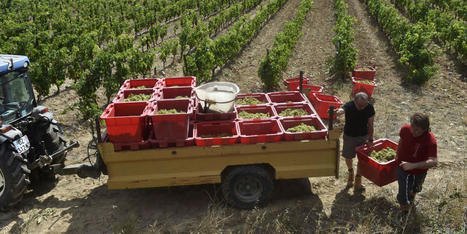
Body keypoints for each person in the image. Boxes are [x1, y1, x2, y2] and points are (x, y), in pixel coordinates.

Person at [395, 112, 437, 211]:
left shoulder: (430, 140)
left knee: (416, 188)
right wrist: (397, 154)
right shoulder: (405, 129)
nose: (413, 132)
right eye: (412, 127)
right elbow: (401, 141)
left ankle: (412, 196)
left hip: (419, 172)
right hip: (403, 168)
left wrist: (413, 165)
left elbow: (434, 162)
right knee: (403, 194)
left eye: (417, 130)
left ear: (425, 129)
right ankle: (404, 212)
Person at [335, 92, 375, 190]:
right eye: (359, 105)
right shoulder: (350, 105)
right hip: (349, 136)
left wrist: (370, 139)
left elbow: (370, 125)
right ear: (355, 101)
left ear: (367, 102)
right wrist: (337, 112)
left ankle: (358, 179)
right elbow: (341, 110)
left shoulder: (369, 108)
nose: (362, 107)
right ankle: (351, 172)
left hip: (363, 136)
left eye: (364, 105)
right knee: (348, 156)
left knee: (362, 159)